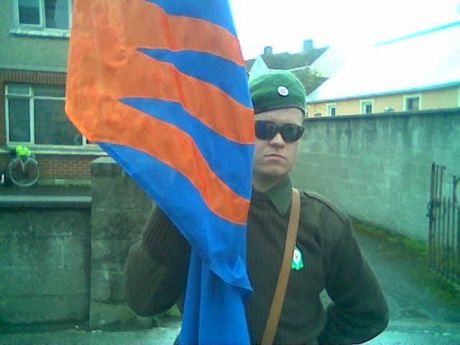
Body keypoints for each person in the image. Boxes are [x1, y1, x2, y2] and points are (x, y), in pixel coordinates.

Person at [124, 70, 389, 344]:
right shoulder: (198, 209)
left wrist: (311, 338)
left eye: (290, 132)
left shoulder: (324, 222)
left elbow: (369, 313)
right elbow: (142, 300)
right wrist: (178, 197)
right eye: (263, 129)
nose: (277, 141)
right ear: (239, 132)